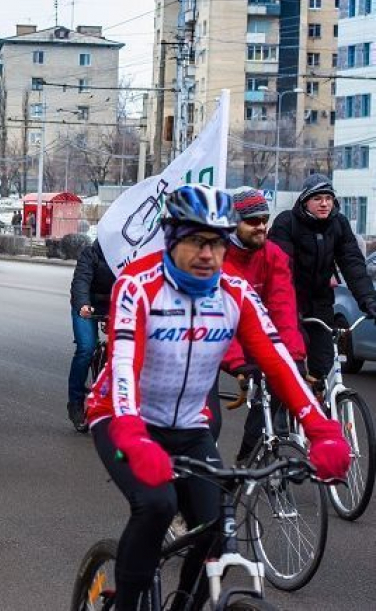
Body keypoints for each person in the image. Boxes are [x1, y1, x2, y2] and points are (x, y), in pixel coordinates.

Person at [86, 184, 350, 611]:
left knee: (217, 530)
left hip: (189, 424)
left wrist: (321, 429)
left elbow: (278, 360)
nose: (208, 253)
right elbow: (122, 365)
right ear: (171, 239)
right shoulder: (138, 285)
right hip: (122, 417)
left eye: (217, 242)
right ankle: (128, 603)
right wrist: (133, 436)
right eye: (195, 241)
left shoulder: (235, 294)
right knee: (156, 505)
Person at [220, 188, 306, 460]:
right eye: (253, 221)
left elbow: (282, 308)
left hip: (257, 335)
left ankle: (249, 456)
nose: (261, 227)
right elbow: (217, 316)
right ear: (234, 223)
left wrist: (291, 357)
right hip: (217, 338)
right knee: (206, 423)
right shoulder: (216, 256)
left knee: (276, 388)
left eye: (264, 219)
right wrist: (235, 362)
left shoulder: (274, 254)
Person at [269, 174, 376, 381]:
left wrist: (368, 300)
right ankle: (282, 409)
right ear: (305, 200)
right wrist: (287, 309)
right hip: (289, 302)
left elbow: (352, 263)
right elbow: (280, 270)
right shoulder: (286, 223)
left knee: (324, 366)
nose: (324, 203)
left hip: (321, 302)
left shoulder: (338, 224)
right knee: (290, 366)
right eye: (318, 199)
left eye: (328, 198)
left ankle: (324, 406)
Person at [67, 239, 116, 431]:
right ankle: (76, 403)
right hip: (87, 304)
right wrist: (83, 305)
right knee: (86, 348)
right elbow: (81, 281)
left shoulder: (130, 252)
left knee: (126, 352)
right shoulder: (91, 252)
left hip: (116, 304)